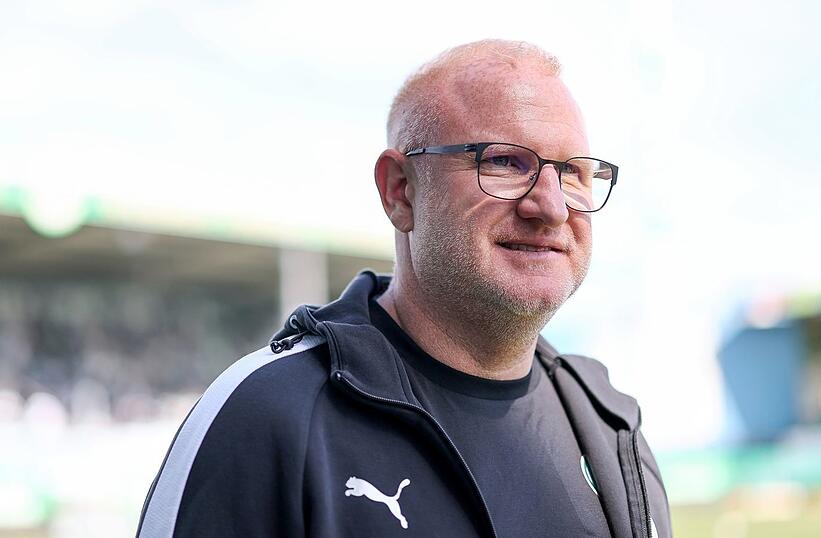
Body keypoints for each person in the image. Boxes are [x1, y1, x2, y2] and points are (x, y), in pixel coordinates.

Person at [137, 39, 671, 538]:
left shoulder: (610, 428)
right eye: (506, 162)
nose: (551, 207)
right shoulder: (267, 417)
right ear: (400, 192)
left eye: (573, 172)